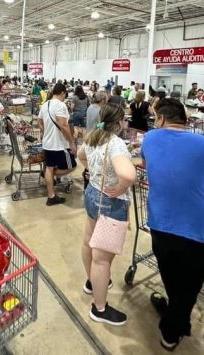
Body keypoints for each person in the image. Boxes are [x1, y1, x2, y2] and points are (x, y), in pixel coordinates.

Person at [141, 98, 204, 351]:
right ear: (187, 122)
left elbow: (148, 167)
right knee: (189, 284)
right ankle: (171, 330)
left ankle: (173, 314)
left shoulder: (150, 139)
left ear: (161, 119)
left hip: (161, 224)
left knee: (171, 274)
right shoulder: (201, 143)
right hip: (197, 228)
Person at [78, 102, 136, 326]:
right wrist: (122, 187)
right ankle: (99, 308)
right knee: (102, 260)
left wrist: (91, 171)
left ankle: (92, 282)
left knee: (88, 243)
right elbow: (128, 175)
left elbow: (80, 155)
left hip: (92, 194)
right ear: (120, 123)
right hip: (111, 203)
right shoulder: (116, 144)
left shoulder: (94, 136)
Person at [38, 83, 77, 206]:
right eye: (65, 94)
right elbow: (64, 125)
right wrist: (71, 142)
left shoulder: (45, 105)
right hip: (59, 145)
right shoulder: (61, 105)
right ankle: (52, 175)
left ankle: (51, 196)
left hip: (47, 144)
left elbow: (39, 121)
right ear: (62, 93)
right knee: (72, 166)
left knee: (49, 168)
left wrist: (46, 132)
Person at [82, 91, 108, 191]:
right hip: (97, 139)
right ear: (102, 100)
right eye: (105, 99)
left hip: (89, 138)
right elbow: (100, 126)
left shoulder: (90, 108)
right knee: (95, 164)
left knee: (88, 163)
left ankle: (86, 186)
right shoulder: (101, 110)